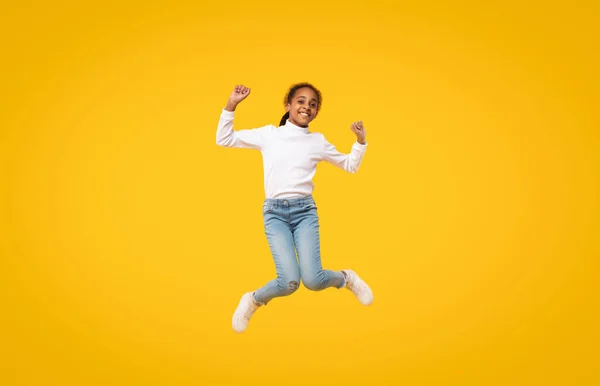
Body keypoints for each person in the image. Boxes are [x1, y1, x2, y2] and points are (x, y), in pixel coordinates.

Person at [216, 83, 373, 333]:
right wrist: (232, 103)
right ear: (288, 105)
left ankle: (346, 279)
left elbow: (349, 165)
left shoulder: (317, 142)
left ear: (316, 111)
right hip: (275, 214)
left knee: (313, 280)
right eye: (301, 101)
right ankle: (253, 299)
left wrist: (360, 142)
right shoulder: (270, 135)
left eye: (312, 104)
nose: (306, 107)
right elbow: (224, 138)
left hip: (304, 214)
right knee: (289, 282)